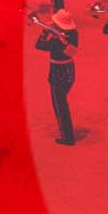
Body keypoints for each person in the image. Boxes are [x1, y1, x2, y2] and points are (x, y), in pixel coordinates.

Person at [34, 9, 80, 146]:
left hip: (58, 71)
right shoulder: (73, 34)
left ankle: (67, 136)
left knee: (59, 105)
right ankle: (67, 133)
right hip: (69, 70)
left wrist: (45, 31)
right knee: (62, 101)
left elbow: (39, 45)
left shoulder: (58, 41)